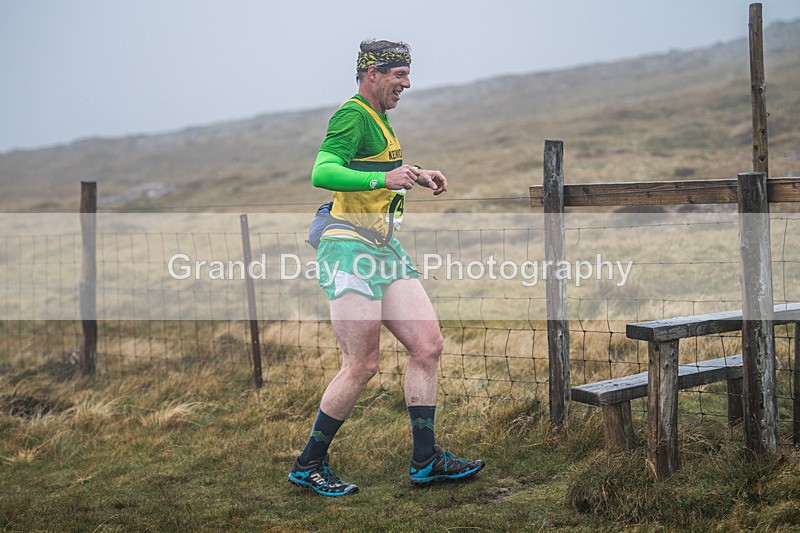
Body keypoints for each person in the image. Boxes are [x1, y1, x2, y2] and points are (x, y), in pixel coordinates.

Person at [288, 39, 485, 497]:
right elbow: (323, 171)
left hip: (385, 248)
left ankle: (426, 460)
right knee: (362, 363)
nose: (407, 83)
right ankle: (308, 464)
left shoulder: (381, 119)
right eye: (399, 74)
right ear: (372, 73)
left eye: (408, 74)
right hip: (348, 246)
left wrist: (415, 172)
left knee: (428, 345)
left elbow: (378, 167)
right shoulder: (352, 113)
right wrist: (383, 179)